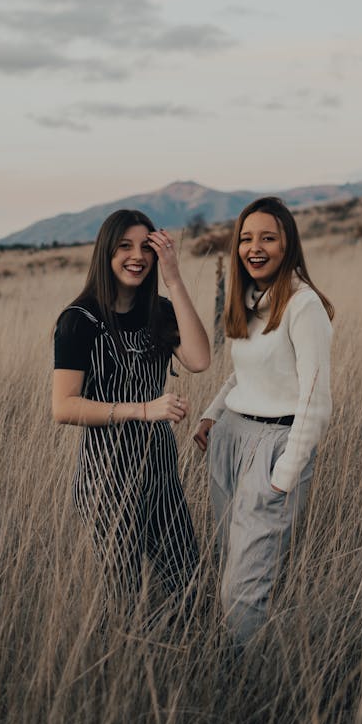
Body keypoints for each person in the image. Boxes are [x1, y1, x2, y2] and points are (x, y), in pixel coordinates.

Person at [53, 209, 210, 626]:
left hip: (161, 476)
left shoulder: (159, 309)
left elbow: (198, 359)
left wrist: (175, 279)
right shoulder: (78, 321)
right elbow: (64, 406)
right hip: (107, 481)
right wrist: (142, 410)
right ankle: (122, 677)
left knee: (188, 587)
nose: (136, 256)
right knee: (122, 601)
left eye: (146, 247)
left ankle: (185, 670)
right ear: (106, 251)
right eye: (124, 246)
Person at [194, 196, 333, 646]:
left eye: (268, 238)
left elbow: (315, 399)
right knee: (226, 560)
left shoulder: (303, 305)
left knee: (243, 593)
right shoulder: (251, 298)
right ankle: (236, 670)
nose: (255, 247)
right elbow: (245, 370)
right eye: (246, 238)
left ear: (287, 244)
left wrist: (285, 476)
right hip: (230, 438)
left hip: (275, 447)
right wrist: (213, 414)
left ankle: (248, 695)